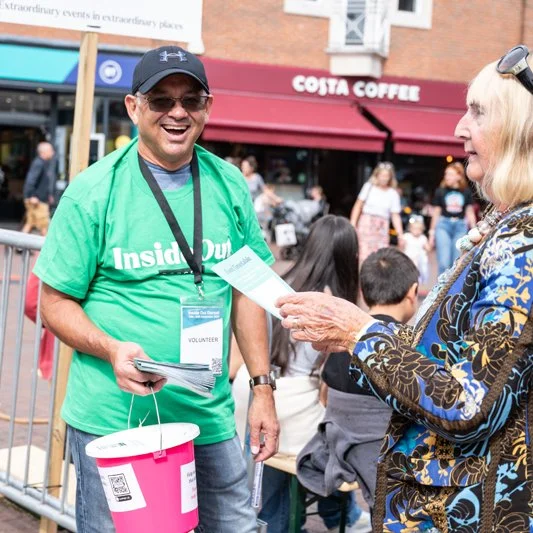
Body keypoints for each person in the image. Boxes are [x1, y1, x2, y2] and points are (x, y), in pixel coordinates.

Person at [277, 44, 533, 532]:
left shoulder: (524, 241)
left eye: (477, 112)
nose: (459, 128)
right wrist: (355, 336)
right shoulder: (509, 225)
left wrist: (360, 333)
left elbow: (468, 400)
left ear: (521, 131)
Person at [34, 45, 279, 533]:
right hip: (114, 421)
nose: (177, 112)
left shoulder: (229, 184)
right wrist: (110, 349)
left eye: (191, 100)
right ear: (134, 107)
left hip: (206, 419)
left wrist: (262, 387)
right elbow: (54, 302)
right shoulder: (93, 191)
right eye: (161, 100)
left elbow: (249, 291)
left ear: (208, 107)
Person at [232, 215, 370, 533]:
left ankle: (293, 519)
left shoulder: (283, 281)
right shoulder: (335, 305)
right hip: (288, 407)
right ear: (349, 257)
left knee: (280, 462)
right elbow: (331, 384)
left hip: (251, 392)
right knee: (341, 426)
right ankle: (338, 514)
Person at [300, 247, 418, 524]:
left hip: (340, 446)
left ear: (363, 293)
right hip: (385, 459)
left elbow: (326, 393)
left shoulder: (343, 339)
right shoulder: (408, 343)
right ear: (413, 292)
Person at [349, 162, 404, 264]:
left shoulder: (393, 193)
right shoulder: (368, 187)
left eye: (386, 176)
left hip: (382, 228)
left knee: (380, 258)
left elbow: (395, 215)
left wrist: (400, 234)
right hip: (366, 225)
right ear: (377, 175)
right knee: (363, 255)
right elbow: (358, 205)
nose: (384, 178)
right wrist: (353, 223)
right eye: (382, 175)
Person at [428, 162, 477, 274]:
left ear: (459, 176)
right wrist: (431, 232)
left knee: (457, 261)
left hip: (460, 226)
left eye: (450, 174)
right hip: (443, 225)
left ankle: (452, 290)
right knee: (444, 262)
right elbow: (436, 212)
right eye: (446, 174)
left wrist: (474, 230)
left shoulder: (466, 192)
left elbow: (469, 212)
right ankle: (441, 290)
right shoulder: (441, 191)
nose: (447, 177)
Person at [21, 141, 56, 236]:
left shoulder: (44, 163)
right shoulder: (39, 163)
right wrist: (32, 196)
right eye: (50, 150)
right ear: (43, 152)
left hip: (39, 199)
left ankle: (19, 246)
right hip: (37, 200)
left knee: (30, 222)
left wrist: (49, 195)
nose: (53, 152)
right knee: (44, 225)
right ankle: (46, 248)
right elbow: (30, 180)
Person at [401, 215, 430, 284]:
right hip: (409, 257)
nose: (416, 231)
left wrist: (428, 247)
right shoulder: (407, 236)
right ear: (410, 228)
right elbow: (401, 246)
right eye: (414, 229)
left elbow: (428, 248)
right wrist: (402, 243)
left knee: (419, 270)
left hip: (419, 258)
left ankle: (417, 281)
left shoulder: (422, 238)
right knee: (408, 270)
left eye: (419, 229)